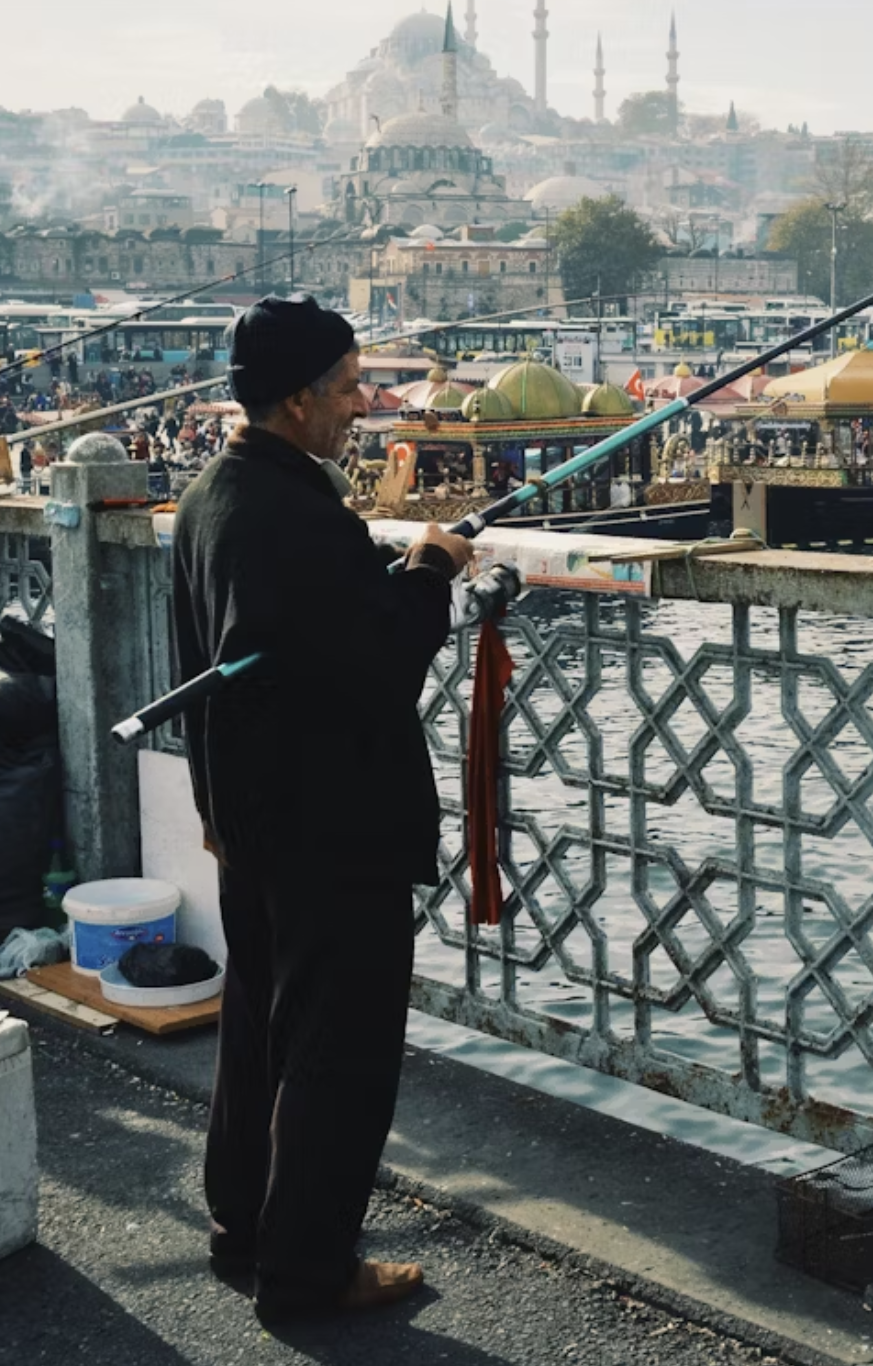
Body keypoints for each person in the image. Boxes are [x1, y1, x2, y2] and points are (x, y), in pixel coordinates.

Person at [171, 296, 473, 1323]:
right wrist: (429, 571)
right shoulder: (295, 516)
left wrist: (211, 803)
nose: (362, 402)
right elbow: (375, 668)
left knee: (259, 1035)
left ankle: (244, 1232)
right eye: (347, 386)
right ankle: (307, 1271)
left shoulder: (218, 493)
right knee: (334, 1055)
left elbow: (231, 660)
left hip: (251, 824)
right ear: (297, 400)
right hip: (333, 830)